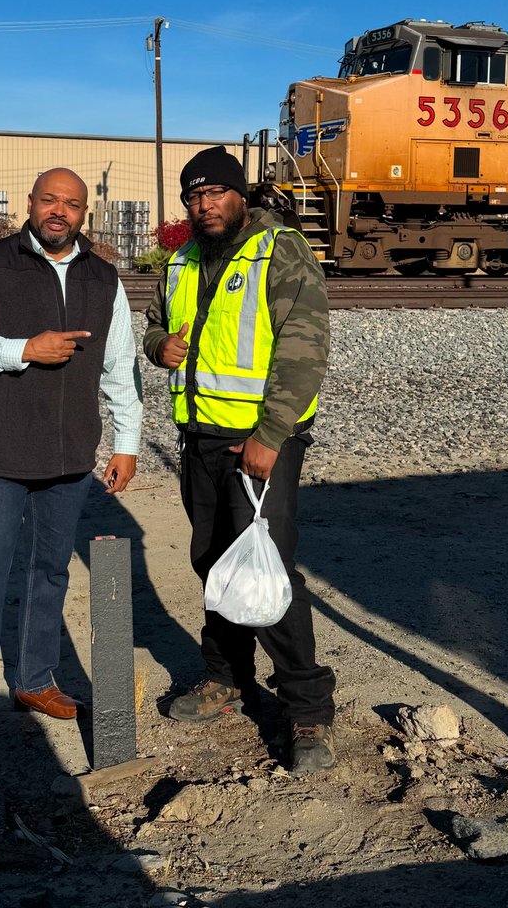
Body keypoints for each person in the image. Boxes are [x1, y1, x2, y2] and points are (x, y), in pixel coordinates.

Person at [0, 167, 142, 768]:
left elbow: (120, 365)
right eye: (49, 200)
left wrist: (126, 442)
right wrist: (21, 350)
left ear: (84, 214)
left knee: (50, 571)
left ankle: (34, 679)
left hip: (70, 457)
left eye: (72, 204)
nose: (60, 211)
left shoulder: (104, 279)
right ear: (30, 204)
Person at [143, 145, 336, 775]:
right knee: (214, 561)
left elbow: (303, 350)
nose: (205, 205)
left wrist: (271, 434)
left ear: (239, 194)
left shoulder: (278, 250)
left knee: (268, 571)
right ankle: (226, 680)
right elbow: (153, 324)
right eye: (194, 196)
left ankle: (306, 708)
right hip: (198, 436)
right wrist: (158, 345)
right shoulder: (181, 261)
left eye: (216, 193)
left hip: (259, 440)